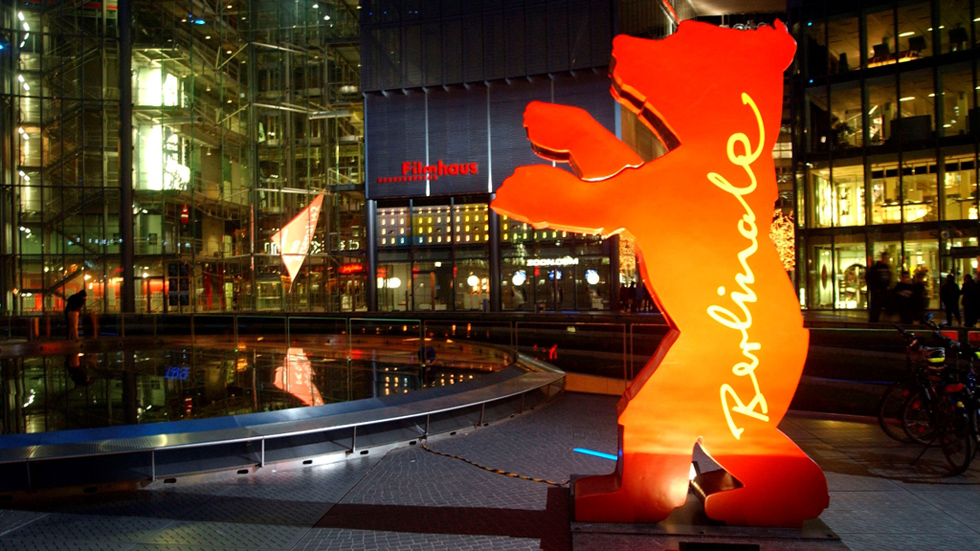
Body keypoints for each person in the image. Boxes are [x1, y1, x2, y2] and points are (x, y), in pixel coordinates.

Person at [865, 253, 893, 322]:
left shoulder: (887, 268)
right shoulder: (876, 268)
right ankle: (874, 322)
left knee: (886, 308)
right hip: (877, 291)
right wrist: (874, 287)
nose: (886, 260)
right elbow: (869, 278)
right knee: (876, 309)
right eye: (885, 258)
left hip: (884, 291)